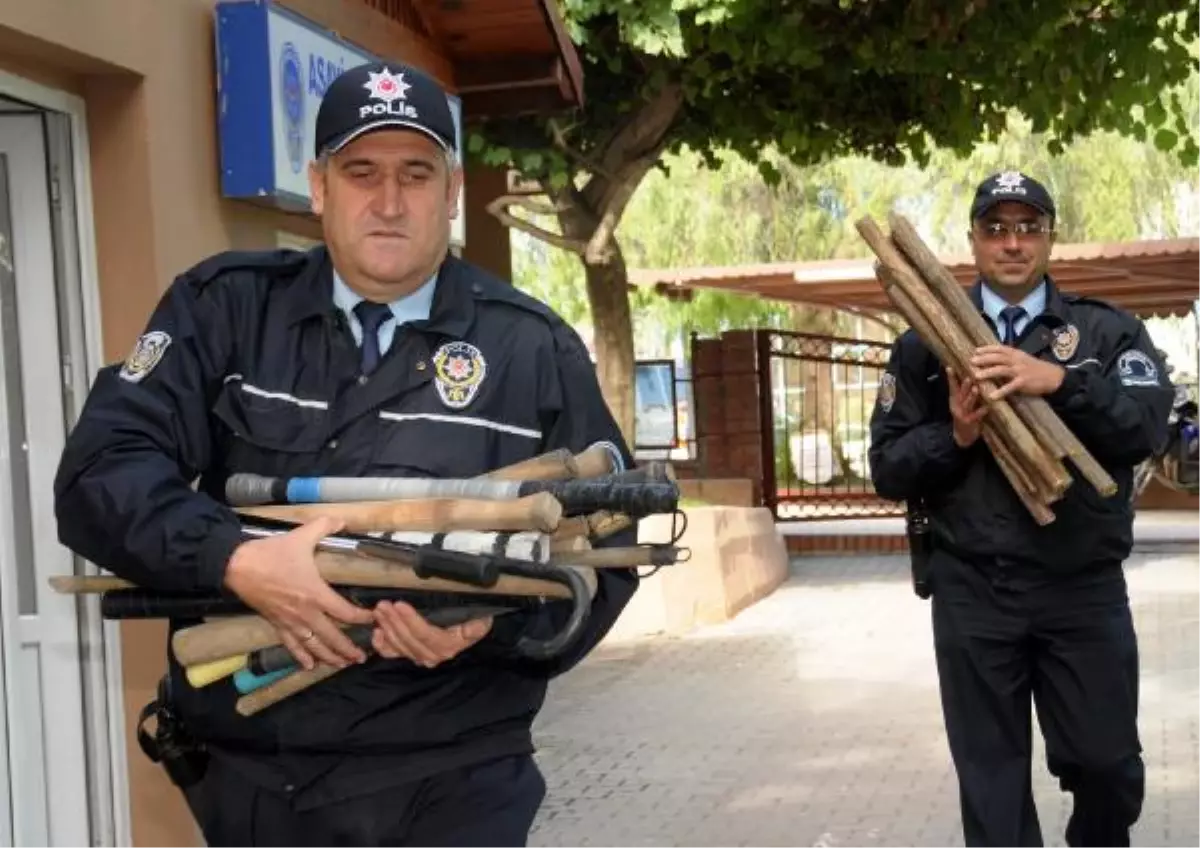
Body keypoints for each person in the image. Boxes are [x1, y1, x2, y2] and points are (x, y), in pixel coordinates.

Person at [53, 59, 639, 847]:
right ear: (320, 186)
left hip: (452, 783)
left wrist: (490, 627)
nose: (390, 201)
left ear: (453, 191)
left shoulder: (529, 346)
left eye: (416, 173)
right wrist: (235, 560)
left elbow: (613, 548)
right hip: (258, 783)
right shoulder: (224, 310)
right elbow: (100, 473)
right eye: (362, 172)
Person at [868, 171, 1175, 848]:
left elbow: (1145, 430)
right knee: (992, 785)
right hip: (974, 588)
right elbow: (887, 468)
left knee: (1106, 766)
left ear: (1049, 237)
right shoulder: (924, 345)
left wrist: (1062, 383)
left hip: (1082, 589)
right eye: (997, 228)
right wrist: (956, 436)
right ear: (975, 240)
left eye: (1028, 227)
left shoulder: (1104, 333)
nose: (1013, 243)